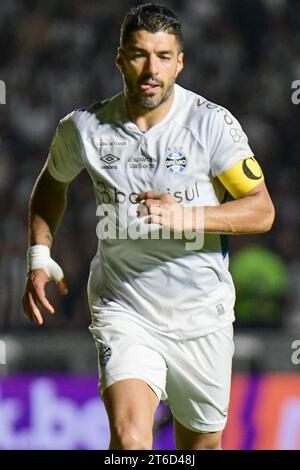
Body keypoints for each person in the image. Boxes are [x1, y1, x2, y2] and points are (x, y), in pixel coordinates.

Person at [22, 3, 275, 450]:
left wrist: (187, 217)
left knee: (198, 450)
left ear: (180, 63)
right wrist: (40, 255)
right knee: (131, 441)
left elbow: (261, 210)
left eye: (163, 56)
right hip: (126, 308)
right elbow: (50, 185)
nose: (151, 69)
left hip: (202, 316)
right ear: (120, 58)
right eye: (139, 54)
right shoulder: (84, 129)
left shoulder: (210, 126)